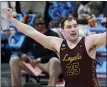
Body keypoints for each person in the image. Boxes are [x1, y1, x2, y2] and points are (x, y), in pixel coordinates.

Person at [4, 8, 106, 87]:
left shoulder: (89, 41)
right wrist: (11, 19)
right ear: (62, 31)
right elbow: (32, 32)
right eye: (69, 27)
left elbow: (104, 36)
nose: (73, 29)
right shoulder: (58, 44)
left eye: (75, 26)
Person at [9, 16, 62, 87]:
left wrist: (39, 60)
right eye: (37, 24)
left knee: (54, 60)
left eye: (41, 23)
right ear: (34, 25)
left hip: (48, 64)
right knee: (14, 60)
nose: (39, 25)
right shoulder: (31, 35)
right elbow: (21, 50)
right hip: (34, 64)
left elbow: (57, 54)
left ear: (45, 24)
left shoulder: (52, 35)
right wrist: (23, 55)